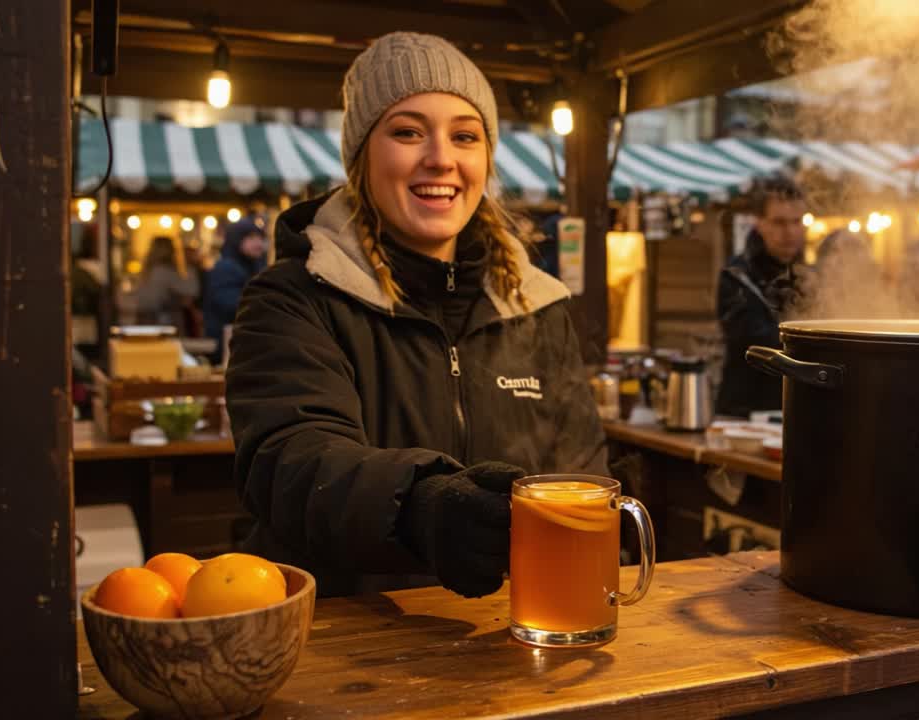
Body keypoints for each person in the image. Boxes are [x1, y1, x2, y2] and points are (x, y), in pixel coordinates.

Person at [225, 32, 606, 599]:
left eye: (465, 136)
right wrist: (418, 506)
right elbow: (291, 460)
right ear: (361, 156)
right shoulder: (293, 298)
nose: (441, 158)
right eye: (407, 132)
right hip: (348, 639)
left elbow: (583, 475)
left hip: (507, 636)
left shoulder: (536, 306)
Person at [714, 179, 808, 418]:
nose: (790, 232)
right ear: (759, 224)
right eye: (779, 222)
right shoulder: (737, 276)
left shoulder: (811, 277)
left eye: (797, 221)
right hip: (744, 411)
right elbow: (755, 343)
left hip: (798, 407)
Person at [203, 217, 267, 364]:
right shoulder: (226, 268)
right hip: (226, 345)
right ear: (237, 239)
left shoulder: (255, 266)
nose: (258, 243)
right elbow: (231, 305)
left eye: (260, 238)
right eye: (251, 237)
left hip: (244, 342)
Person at [134, 235, 200, 328]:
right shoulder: (165, 271)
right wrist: (190, 264)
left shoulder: (146, 272)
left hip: (144, 318)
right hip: (163, 320)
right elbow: (191, 291)